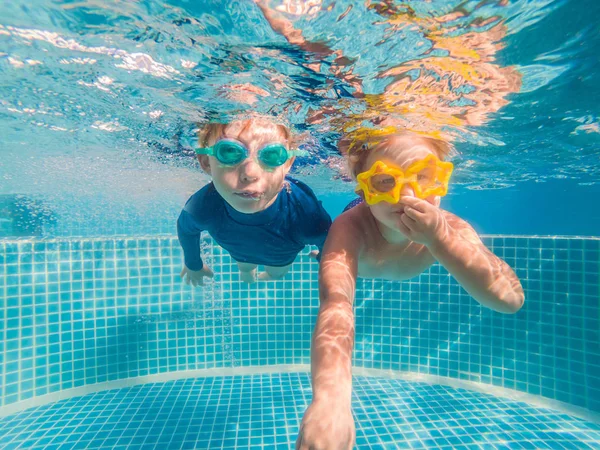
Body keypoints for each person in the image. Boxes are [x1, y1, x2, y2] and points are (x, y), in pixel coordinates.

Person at [296, 131, 525, 450]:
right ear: (364, 188)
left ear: (442, 180)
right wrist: (331, 400)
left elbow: (510, 299)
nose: (406, 195)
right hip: (358, 241)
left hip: (390, 240)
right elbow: (336, 302)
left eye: (423, 177)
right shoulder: (350, 226)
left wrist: (439, 239)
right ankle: (325, 252)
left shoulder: (450, 229)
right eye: (385, 181)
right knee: (332, 253)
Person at [177, 116, 332, 285]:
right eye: (229, 152)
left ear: (287, 164)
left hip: (279, 258)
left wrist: (325, 260)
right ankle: (248, 278)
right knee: (245, 267)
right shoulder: (204, 205)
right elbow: (186, 228)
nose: (250, 174)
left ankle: (265, 277)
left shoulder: (305, 213)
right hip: (241, 254)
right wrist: (193, 264)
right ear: (206, 162)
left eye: (272, 154)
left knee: (276, 274)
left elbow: (328, 242)